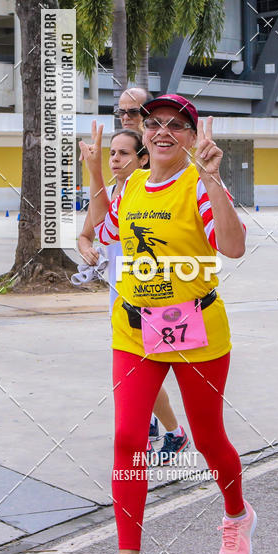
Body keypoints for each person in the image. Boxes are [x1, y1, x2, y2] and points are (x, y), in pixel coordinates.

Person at [80, 94, 254, 554]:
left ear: (193, 138)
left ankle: (238, 515)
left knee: (208, 437)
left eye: (178, 126)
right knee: (127, 437)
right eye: (155, 122)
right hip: (134, 329)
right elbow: (103, 232)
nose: (162, 132)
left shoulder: (199, 185)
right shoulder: (132, 183)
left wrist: (214, 176)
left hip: (197, 329)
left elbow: (234, 247)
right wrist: (98, 172)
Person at [78, 127, 190, 461]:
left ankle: (165, 432)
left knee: (145, 376)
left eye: (123, 153)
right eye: (112, 153)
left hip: (160, 301)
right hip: (121, 300)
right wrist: (87, 250)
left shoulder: (151, 194)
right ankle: (160, 432)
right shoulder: (111, 193)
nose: (114, 159)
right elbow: (89, 234)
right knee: (136, 376)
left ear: (143, 158)